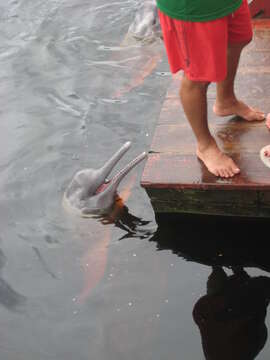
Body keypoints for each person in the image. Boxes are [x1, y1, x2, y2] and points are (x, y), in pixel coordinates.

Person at [157, 0, 265, 178]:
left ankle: (226, 101)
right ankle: (204, 145)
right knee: (198, 77)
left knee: (239, 38)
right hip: (194, 9)